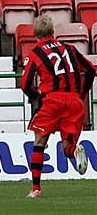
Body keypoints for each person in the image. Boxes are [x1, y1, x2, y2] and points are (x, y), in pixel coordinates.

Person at [21, 15, 95, 198]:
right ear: (53, 32)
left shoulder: (36, 53)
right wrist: (83, 94)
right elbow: (92, 69)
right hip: (75, 102)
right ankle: (75, 151)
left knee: (39, 143)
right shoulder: (69, 48)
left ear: (35, 34)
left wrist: (36, 98)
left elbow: (25, 83)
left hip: (52, 101)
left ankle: (36, 189)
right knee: (67, 147)